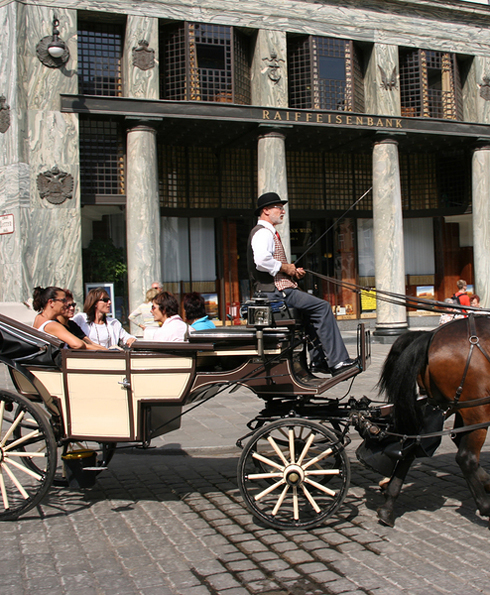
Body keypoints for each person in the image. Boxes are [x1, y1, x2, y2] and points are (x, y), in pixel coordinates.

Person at [247, 192, 357, 376]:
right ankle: (338, 361)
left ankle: (318, 361)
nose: (283, 211)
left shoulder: (269, 232)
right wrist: (286, 268)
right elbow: (261, 261)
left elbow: (271, 264)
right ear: (265, 210)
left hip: (278, 288)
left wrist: (291, 271)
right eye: (279, 208)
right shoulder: (263, 232)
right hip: (274, 292)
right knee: (322, 307)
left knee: (310, 312)